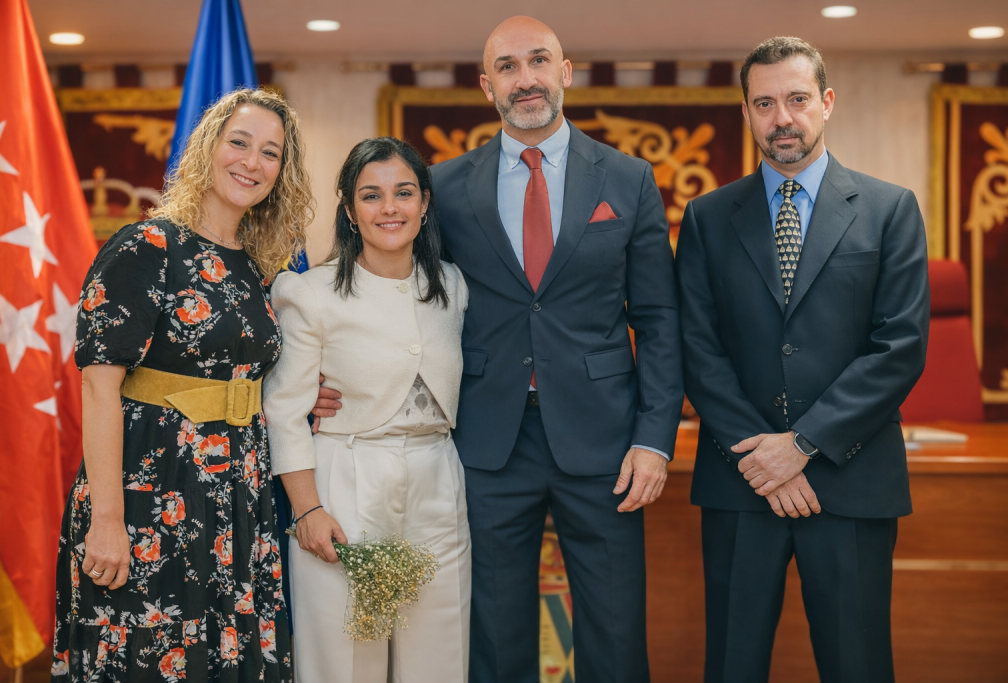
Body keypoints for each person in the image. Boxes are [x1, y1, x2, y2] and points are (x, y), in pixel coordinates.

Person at [317, 15, 680, 682]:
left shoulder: (628, 179)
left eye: (539, 61)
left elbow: (659, 320)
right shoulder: (447, 186)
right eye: (507, 68)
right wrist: (326, 369)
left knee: (616, 628)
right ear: (488, 87)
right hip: (485, 442)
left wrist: (654, 439)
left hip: (604, 444)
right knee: (490, 630)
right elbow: (393, 289)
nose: (526, 78)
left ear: (566, 71)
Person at [676, 36, 930, 683]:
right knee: (732, 664)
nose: (781, 117)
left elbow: (899, 347)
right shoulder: (707, 217)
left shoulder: (889, 209)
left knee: (858, 664)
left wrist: (805, 444)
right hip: (741, 482)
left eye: (795, 99)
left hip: (851, 481)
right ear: (746, 111)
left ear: (826, 102)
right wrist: (764, 457)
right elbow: (697, 348)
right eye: (764, 103)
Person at [53, 88, 314, 681]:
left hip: (237, 500)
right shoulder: (144, 248)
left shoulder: (256, 266)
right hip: (152, 496)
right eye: (239, 142)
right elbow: (99, 390)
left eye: (270, 153)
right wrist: (108, 521)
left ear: (282, 172)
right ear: (208, 148)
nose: (252, 162)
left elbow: (249, 377)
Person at [263, 137, 471, 682]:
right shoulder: (312, 293)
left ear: (425, 203)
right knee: (346, 653)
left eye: (404, 193)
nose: (390, 209)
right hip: (346, 478)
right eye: (371, 196)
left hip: (437, 476)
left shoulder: (451, 283)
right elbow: (284, 410)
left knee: (439, 648)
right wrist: (306, 509)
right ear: (350, 210)